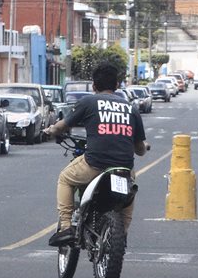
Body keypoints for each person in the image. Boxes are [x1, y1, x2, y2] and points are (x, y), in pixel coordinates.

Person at [45, 62, 149, 247]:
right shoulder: (131, 108)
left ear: (94, 86)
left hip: (95, 165)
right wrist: (143, 145)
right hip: (124, 168)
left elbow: (63, 126)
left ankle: (67, 227)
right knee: (128, 196)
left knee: (65, 179)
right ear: (117, 86)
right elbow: (140, 149)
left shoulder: (89, 102)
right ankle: (122, 235)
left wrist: (52, 130)